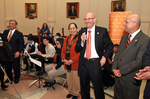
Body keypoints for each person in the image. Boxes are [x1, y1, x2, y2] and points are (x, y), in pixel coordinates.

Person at [75, 12, 113, 99]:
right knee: (84, 88)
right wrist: (81, 41)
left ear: (94, 20)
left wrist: (104, 58)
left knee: (98, 88)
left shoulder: (102, 31)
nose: (87, 21)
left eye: (89, 18)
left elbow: (110, 46)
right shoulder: (81, 31)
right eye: (85, 19)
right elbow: (77, 48)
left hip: (95, 63)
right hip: (83, 63)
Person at [112, 14, 150, 99]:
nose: (124, 24)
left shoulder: (145, 39)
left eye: (126, 22)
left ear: (134, 24)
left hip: (130, 81)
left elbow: (138, 61)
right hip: (118, 79)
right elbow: (118, 53)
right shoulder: (124, 37)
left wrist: (121, 71)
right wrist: (114, 67)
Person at [61, 23, 80, 99]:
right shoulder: (66, 39)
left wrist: (72, 60)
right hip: (67, 63)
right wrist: (64, 59)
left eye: (74, 28)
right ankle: (71, 92)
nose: (72, 30)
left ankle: (76, 93)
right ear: (68, 30)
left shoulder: (79, 38)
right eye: (70, 28)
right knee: (69, 79)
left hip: (75, 63)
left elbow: (80, 52)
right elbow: (63, 50)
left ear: (77, 29)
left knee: (76, 79)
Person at [2, 20, 24, 84]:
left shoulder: (19, 34)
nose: (10, 24)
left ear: (16, 25)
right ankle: (9, 78)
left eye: (12, 23)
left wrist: (19, 52)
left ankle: (16, 78)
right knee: (7, 67)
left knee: (16, 66)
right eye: (10, 23)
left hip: (15, 53)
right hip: (6, 53)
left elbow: (22, 44)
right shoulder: (5, 32)